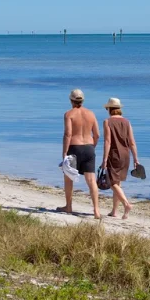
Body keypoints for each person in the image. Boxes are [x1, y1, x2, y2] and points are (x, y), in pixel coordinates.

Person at [60, 88, 101, 218]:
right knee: (91, 180)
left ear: (71, 100)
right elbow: (97, 135)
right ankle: (96, 210)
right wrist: (92, 147)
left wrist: (65, 152)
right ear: (83, 100)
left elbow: (68, 134)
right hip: (89, 147)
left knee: (68, 178)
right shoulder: (91, 114)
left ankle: (69, 206)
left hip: (74, 147)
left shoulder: (69, 114)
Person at [101, 97, 138, 219]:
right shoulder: (127, 122)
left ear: (109, 109)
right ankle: (114, 211)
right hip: (126, 155)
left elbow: (107, 142)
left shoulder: (107, 122)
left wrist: (105, 159)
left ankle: (126, 204)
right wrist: (136, 159)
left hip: (114, 155)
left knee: (111, 183)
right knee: (118, 183)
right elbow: (132, 142)